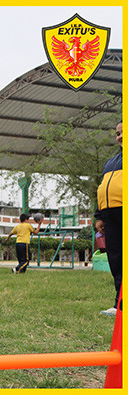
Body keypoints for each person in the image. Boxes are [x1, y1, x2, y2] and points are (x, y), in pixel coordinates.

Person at [95, 121, 122, 316]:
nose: (120, 136)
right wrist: (99, 216)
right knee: (116, 258)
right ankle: (120, 304)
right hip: (109, 216)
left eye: (123, 132)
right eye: (117, 133)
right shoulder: (110, 162)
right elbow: (102, 189)